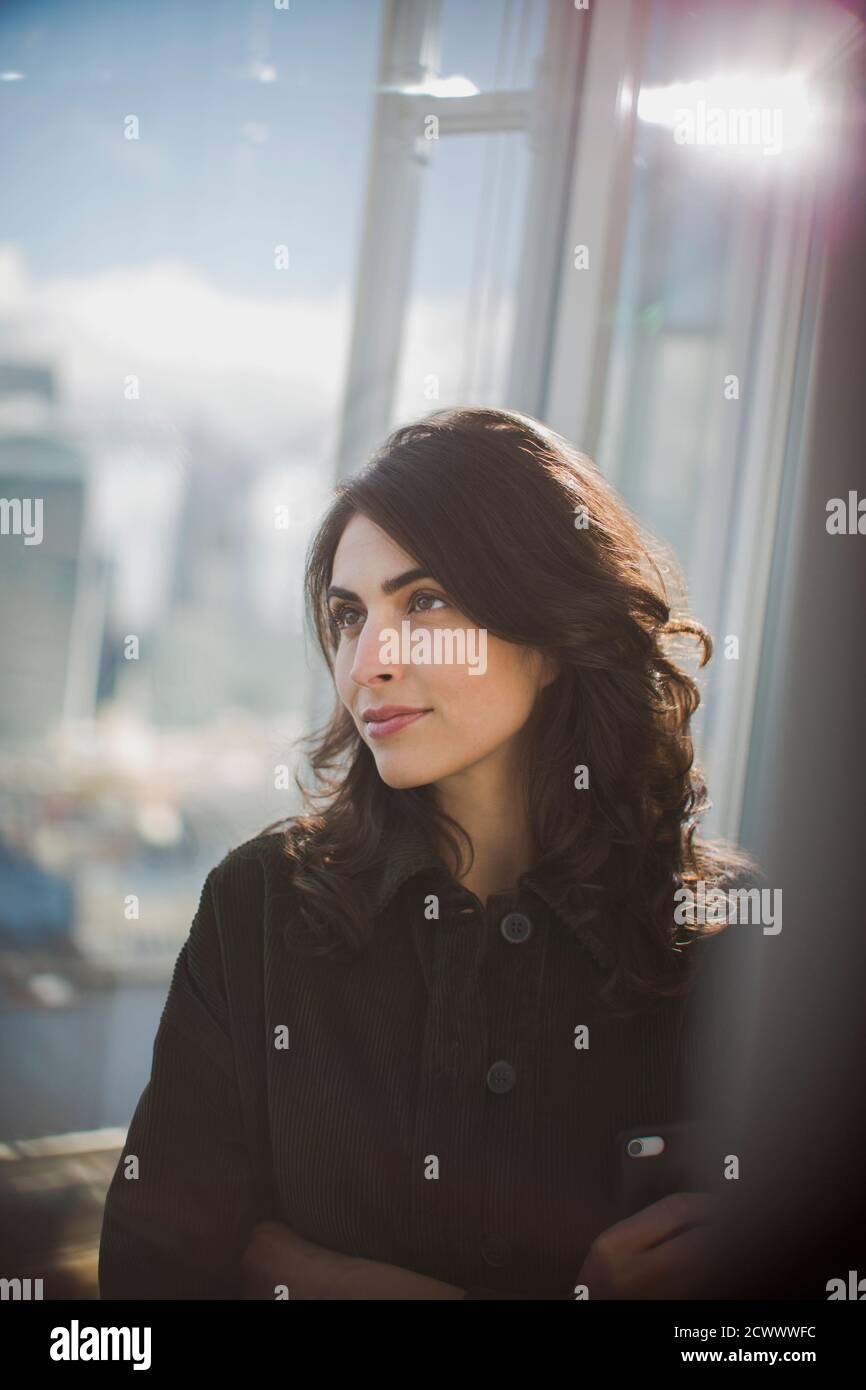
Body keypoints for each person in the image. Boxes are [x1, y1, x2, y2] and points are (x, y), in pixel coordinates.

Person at [98, 405, 759, 1300]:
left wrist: (304, 1276)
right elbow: (144, 1291)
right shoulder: (257, 907)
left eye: (426, 601)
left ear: (555, 629)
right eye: (347, 616)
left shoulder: (731, 942)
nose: (367, 661)